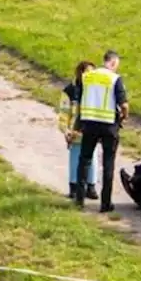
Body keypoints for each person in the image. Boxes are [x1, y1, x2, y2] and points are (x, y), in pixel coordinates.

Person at [74, 50, 129, 212]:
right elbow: (124, 105)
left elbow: (80, 101)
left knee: (84, 160)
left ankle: (79, 199)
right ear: (112, 62)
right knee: (108, 164)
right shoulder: (114, 79)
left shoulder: (87, 77)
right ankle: (105, 203)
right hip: (108, 125)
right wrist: (124, 117)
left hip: (89, 123)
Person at [59, 61, 98, 201]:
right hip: (75, 131)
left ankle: (91, 185)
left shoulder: (95, 90)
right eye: (87, 72)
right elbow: (64, 112)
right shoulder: (70, 91)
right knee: (75, 159)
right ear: (80, 73)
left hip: (91, 129)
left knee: (92, 159)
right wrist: (66, 130)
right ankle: (74, 186)